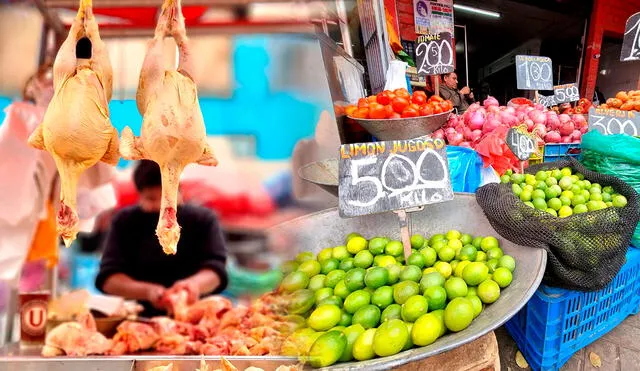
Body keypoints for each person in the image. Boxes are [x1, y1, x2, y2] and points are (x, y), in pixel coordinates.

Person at [95, 160, 228, 317]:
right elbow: (109, 279)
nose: (161, 206)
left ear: (180, 191)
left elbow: (215, 271)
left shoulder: (203, 220)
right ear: (139, 195)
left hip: (195, 318)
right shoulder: (124, 221)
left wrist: (192, 286)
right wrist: (149, 291)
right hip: (138, 320)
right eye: (151, 199)